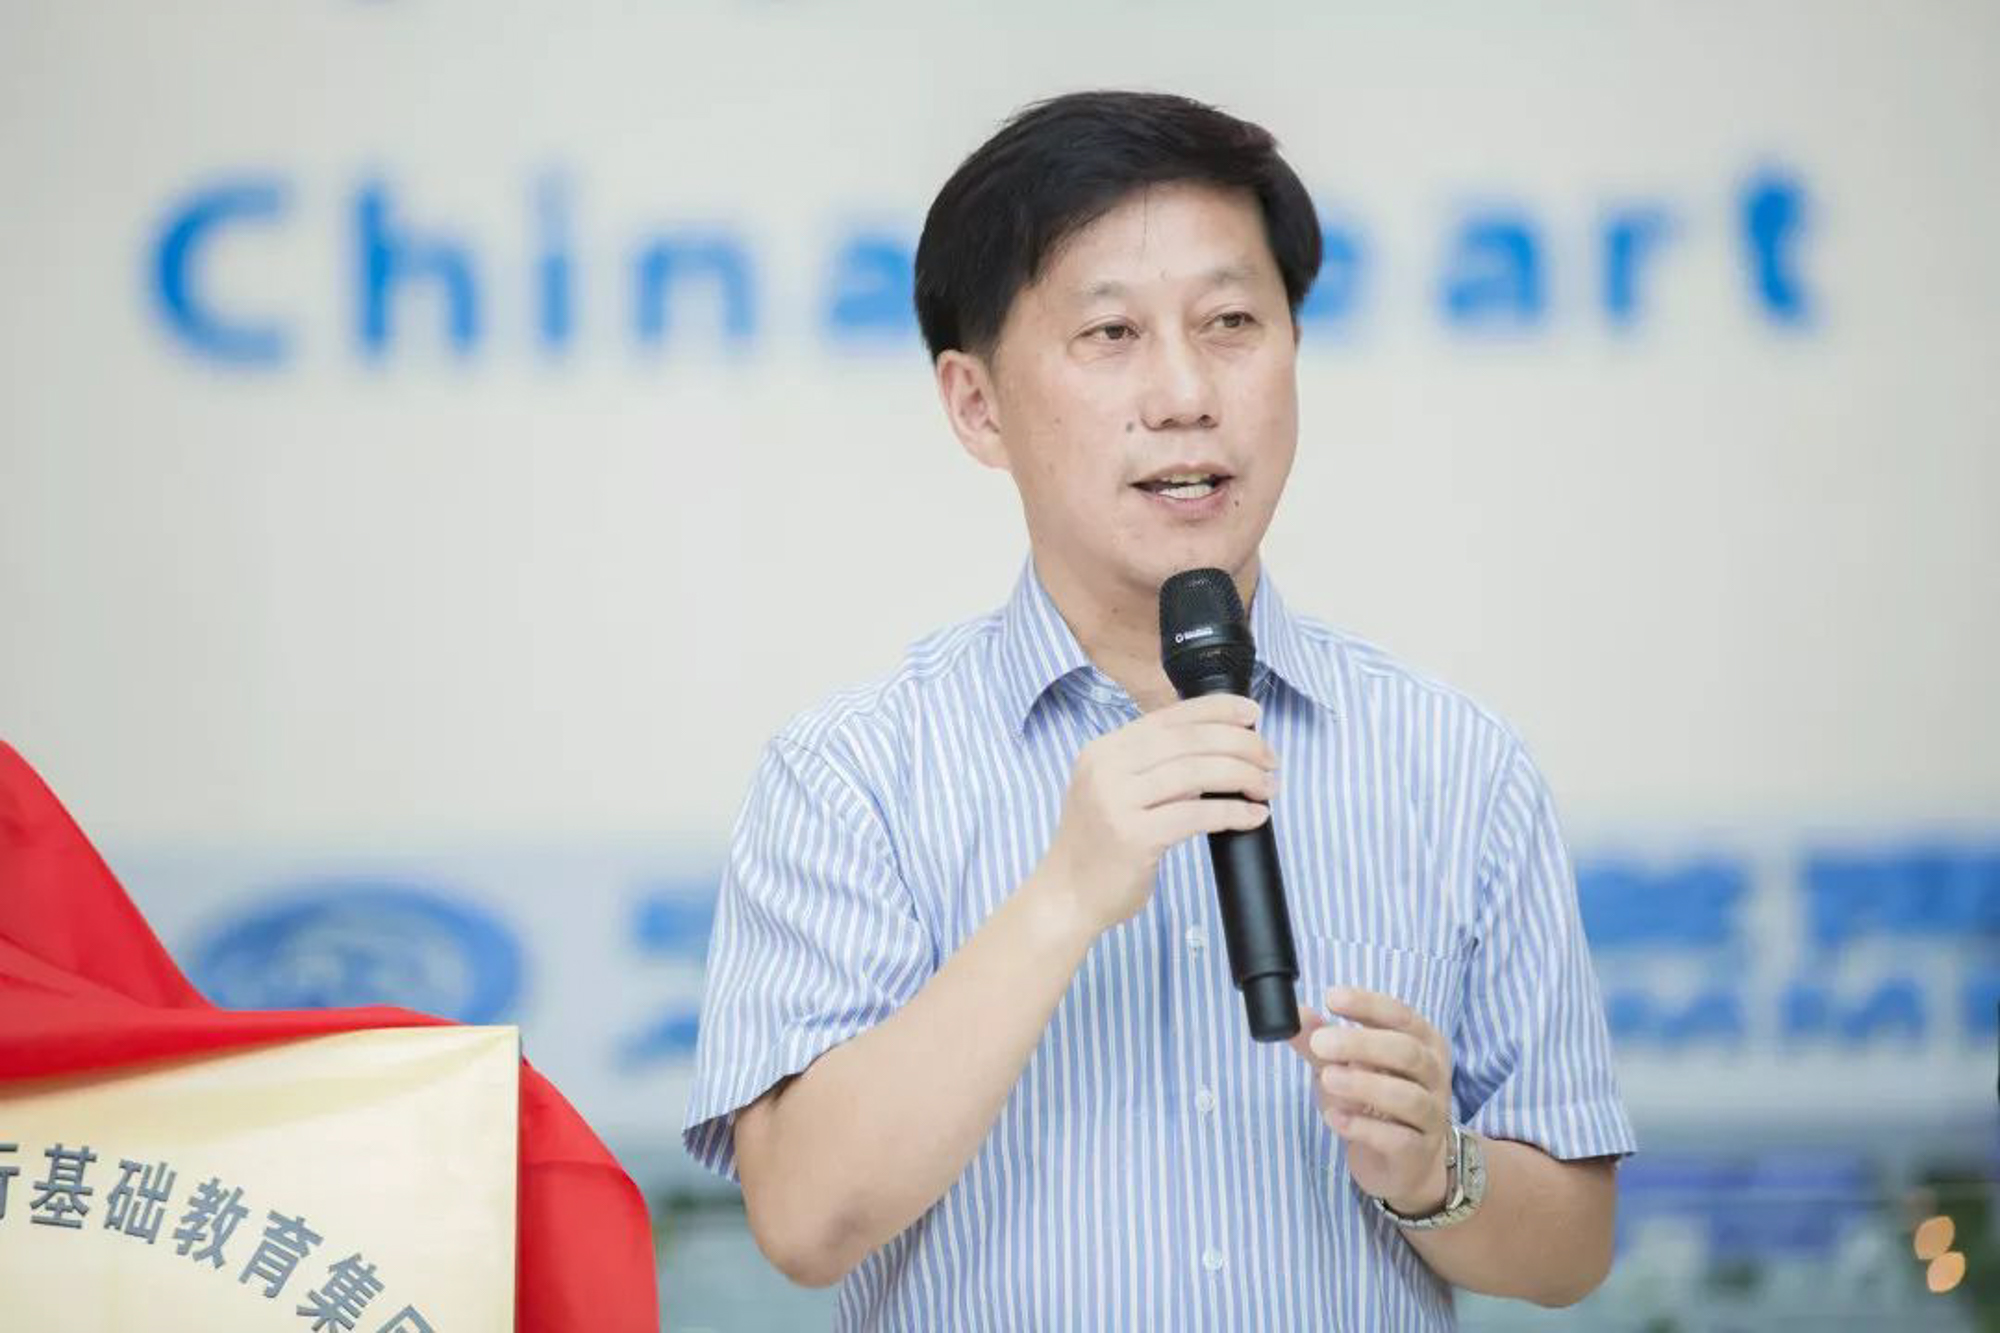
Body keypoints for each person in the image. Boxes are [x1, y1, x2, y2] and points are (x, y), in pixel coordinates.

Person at [682, 89, 1635, 1331]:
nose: (1184, 392)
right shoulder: (851, 772)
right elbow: (804, 1219)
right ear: (975, 405)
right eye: (1111, 333)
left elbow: (1571, 1247)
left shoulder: (1454, 761)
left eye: (1230, 323)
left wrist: (1434, 1171)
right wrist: (1061, 898)